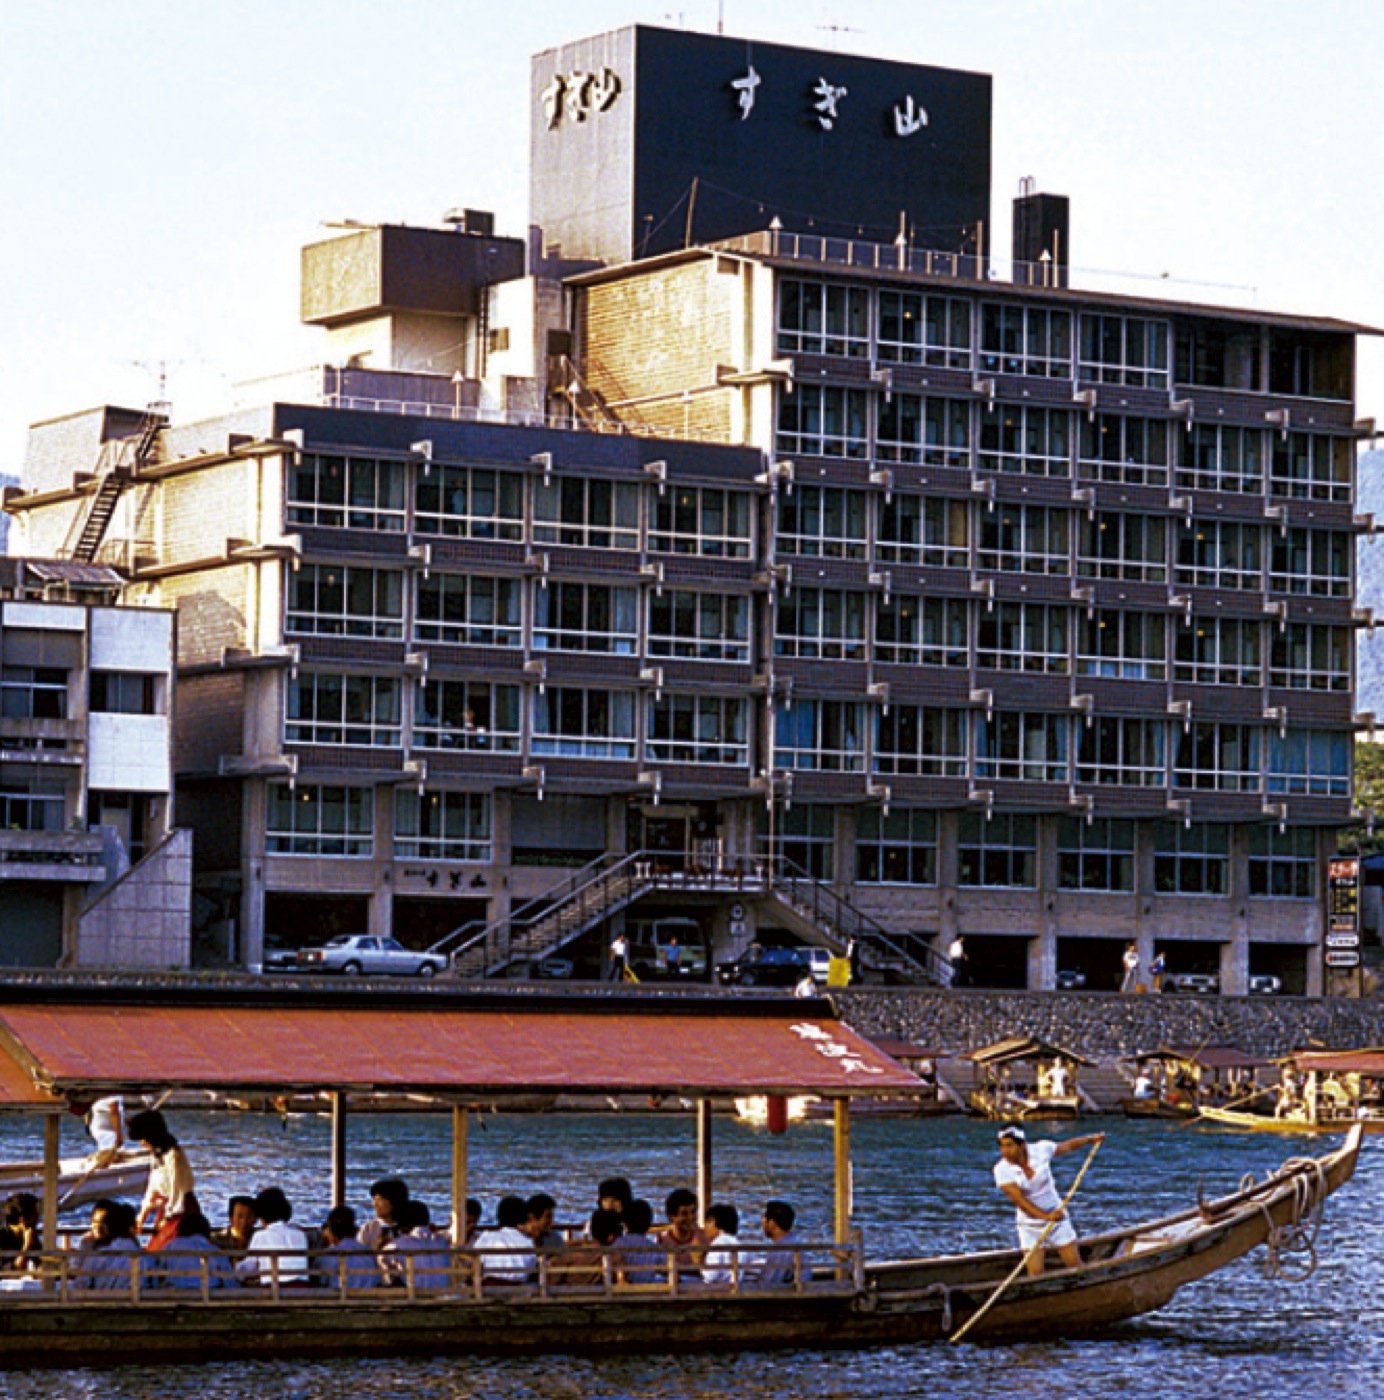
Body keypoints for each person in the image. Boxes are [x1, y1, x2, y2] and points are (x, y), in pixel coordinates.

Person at [992, 1125, 1104, 1276]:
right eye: (1002, 1146)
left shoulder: (1041, 1150)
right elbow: (1020, 1202)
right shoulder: (1001, 1170)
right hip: (1030, 1224)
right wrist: (1046, 1217)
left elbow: (1067, 1146)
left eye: (1009, 1145)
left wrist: (1090, 1139)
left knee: (1074, 1265)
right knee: (1035, 1273)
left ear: (1022, 1144)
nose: (1005, 1151)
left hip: (1057, 1217)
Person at [127, 1108, 194, 1249]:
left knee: (166, 1248)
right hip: (165, 1209)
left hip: (181, 1211)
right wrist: (142, 1216)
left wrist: (170, 1217)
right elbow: (152, 1187)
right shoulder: (156, 1155)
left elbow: (177, 1189)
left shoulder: (173, 1155)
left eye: (142, 1139)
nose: (141, 1143)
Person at [153, 1205, 238, 1291]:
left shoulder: (170, 1247)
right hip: (208, 1294)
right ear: (206, 1232)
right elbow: (231, 1284)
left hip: (175, 1295)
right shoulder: (215, 1251)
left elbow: (156, 1272)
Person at [236, 1186, 310, 1284]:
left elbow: (249, 1268)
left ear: (262, 1215)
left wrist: (236, 1267)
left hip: (273, 1289)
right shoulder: (300, 1234)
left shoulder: (260, 1236)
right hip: (301, 1289)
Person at [71, 1199, 145, 1292]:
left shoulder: (98, 1256)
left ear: (112, 1225)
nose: (98, 1227)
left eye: (103, 1222)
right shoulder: (139, 1254)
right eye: (95, 1222)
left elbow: (80, 1285)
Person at [384, 1199, 452, 1290]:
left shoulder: (396, 1245)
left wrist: (380, 1246)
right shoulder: (442, 1242)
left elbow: (385, 1277)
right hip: (443, 1295)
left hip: (414, 1297)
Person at [472, 1194, 536, 1285]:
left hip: (491, 1290)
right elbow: (531, 1268)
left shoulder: (487, 1237)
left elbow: (476, 1262)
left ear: (499, 1216)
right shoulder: (528, 1242)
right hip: (519, 1291)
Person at [550, 1209, 622, 1287]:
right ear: (611, 1236)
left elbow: (552, 1282)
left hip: (571, 1296)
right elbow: (621, 1283)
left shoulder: (568, 1255)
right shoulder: (615, 1257)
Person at [317, 1204, 379, 1290]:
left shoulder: (326, 1256)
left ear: (331, 1231)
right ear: (354, 1229)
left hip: (336, 1300)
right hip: (367, 1299)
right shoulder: (368, 1252)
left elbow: (319, 1282)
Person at [656, 1187, 708, 1276]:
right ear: (671, 1217)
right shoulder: (662, 1241)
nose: (690, 1217)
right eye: (684, 1214)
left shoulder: (703, 1238)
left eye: (693, 1212)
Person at [618, 1198, 663, 1284]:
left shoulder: (617, 1244)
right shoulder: (656, 1249)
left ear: (625, 1223)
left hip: (621, 1293)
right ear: (649, 1224)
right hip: (646, 1292)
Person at [755, 1199, 799, 1287]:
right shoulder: (795, 1241)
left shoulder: (780, 1250)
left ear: (771, 1224)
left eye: (764, 1221)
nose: (762, 1226)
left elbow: (768, 1283)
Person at [359, 1176, 410, 1253]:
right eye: (374, 1200)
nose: (374, 1204)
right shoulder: (368, 1229)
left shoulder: (410, 1227)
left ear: (394, 1201)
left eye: (379, 1200)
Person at [701, 1203, 742, 1286]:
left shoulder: (717, 1244)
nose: (704, 1227)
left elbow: (711, 1276)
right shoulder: (738, 1243)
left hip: (720, 1290)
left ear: (713, 1222)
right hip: (735, 1287)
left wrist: (700, 1268)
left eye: (707, 1222)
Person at [0, 1193, 40, 1272]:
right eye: (35, 1215)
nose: (37, 1220)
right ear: (22, 1220)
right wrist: (26, 1246)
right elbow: (14, 1270)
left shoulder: (29, 1236)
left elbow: (39, 1262)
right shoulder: (2, 1236)